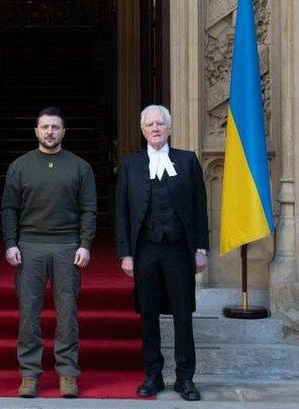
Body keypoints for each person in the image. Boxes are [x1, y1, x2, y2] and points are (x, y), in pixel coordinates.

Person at [113, 104, 209, 401]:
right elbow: (121, 213)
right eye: (150, 124)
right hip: (146, 251)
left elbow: (199, 208)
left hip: (179, 250)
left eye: (161, 124)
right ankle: (153, 375)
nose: (155, 128)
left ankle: (185, 378)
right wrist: (125, 253)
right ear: (143, 131)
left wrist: (201, 248)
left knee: (183, 315)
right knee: (148, 314)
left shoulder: (187, 160)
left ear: (169, 129)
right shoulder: (130, 164)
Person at [2, 107, 97, 399]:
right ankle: (29, 374)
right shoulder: (20, 166)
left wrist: (85, 244)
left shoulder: (80, 167)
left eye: (55, 127)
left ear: (63, 132)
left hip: (67, 247)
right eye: (45, 127)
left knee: (67, 314)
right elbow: (9, 208)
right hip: (29, 246)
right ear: (36, 131)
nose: (50, 132)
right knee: (28, 315)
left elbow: (89, 209)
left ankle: (68, 373)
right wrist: (10, 243)